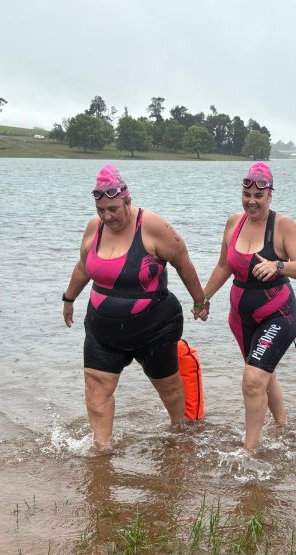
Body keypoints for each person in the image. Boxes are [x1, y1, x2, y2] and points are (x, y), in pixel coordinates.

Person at [62, 164, 209, 450]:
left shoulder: (152, 226)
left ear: (127, 201)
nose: (107, 216)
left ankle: (181, 436)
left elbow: (183, 262)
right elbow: (83, 268)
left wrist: (199, 300)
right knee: (96, 386)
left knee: (167, 386)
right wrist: (69, 298)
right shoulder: (94, 228)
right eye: (100, 210)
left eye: (113, 209)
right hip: (103, 331)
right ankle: (101, 451)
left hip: (154, 327)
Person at [198, 162, 296, 450]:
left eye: (258, 196)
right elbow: (224, 266)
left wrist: (278, 266)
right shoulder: (234, 223)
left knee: (252, 379)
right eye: (246, 194)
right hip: (240, 318)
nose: (251, 201)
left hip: (278, 314)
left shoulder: (282, 225)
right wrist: (203, 298)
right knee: (262, 374)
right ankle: (283, 427)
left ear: (269, 195)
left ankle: (250, 451)